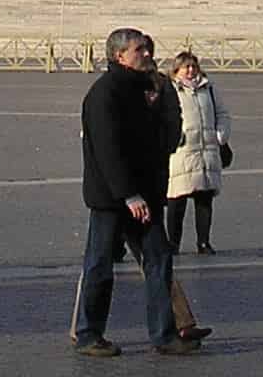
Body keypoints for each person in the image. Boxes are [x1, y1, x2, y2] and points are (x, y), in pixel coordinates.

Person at [73, 28, 186, 357]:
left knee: (159, 260)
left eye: (148, 49)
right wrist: (128, 195)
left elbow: (164, 138)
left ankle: (164, 334)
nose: (148, 55)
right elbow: (109, 151)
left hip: (146, 193)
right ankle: (89, 334)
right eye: (140, 50)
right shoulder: (104, 94)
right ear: (119, 55)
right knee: (100, 264)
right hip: (113, 198)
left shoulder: (148, 89)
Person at [161, 51, 229, 255]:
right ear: (177, 70)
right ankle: (173, 243)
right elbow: (163, 116)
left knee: (204, 199)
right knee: (176, 200)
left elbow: (222, 114)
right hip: (182, 151)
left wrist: (220, 136)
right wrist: (174, 136)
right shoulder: (170, 89)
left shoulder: (208, 88)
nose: (190, 71)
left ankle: (203, 242)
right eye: (186, 67)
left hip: (206, 150)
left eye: (193, 66)